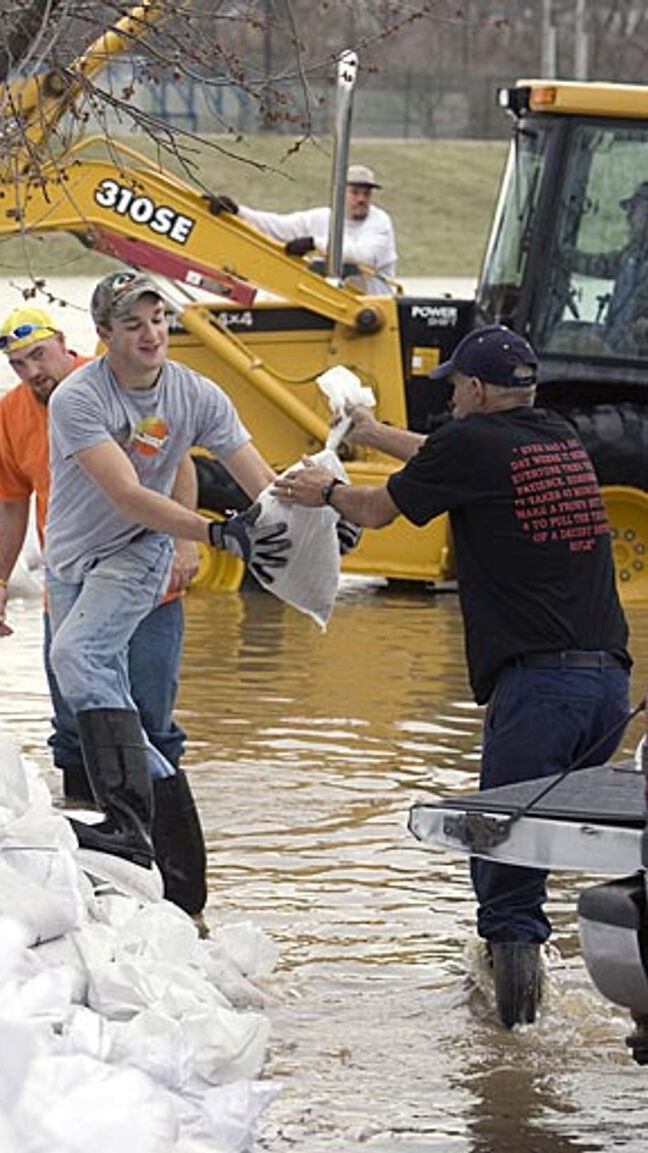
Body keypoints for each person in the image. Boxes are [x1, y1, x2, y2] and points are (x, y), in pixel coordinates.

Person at [273, 323, 632, 1029]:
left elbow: (378, 510)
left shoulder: (472, 443)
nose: (454, 403)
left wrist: (326, 489)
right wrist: (373, 434)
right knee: (533, 862)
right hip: (608, 692)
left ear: (472, 388)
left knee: (505, 876)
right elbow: (449, 459)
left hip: (541, 689)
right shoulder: (555, 434)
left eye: (456, 390)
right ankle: (528, 1029)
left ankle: (513, 1062)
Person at [43, 269, 293, 884]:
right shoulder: (77, 398)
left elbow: (262, 480)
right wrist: (212, 531)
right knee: (98, 685)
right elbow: (125, 491)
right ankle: (180, 856)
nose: (152, 334)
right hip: (74, 556)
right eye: (133, 324)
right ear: (104, 334)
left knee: (75, 655)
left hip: (139, 549)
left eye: (159, 320)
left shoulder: (198, 394)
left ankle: (127, 825)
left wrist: (316, 524)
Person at [0, 305, 210, 927]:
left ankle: (178, 880)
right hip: (71, 586)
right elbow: (10, 503)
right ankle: (106, 854)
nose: (32, 372)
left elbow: (179, 461)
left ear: (66, 345)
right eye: (18, 364)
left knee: (154, 723)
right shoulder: (8, 415)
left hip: (147, 580)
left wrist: (188, 544)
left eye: (39, 356)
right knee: (75, 721)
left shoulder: (111, 387)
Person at [208, 163, 397, 294]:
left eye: (366, 193)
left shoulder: (379, 222)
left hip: (375, 309)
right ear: (339, 193)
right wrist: (238, 211)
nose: (361, 199)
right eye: (355, 192)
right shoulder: (321, 217)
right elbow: (277, 227)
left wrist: (315, 243)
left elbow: (367, 258)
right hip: (338, 307)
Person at [566, 180, 648, 354]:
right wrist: (559, 254)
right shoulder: (633, 254)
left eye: (636, 208)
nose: (629, 216)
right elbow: (599, 265)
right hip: (616, 347)